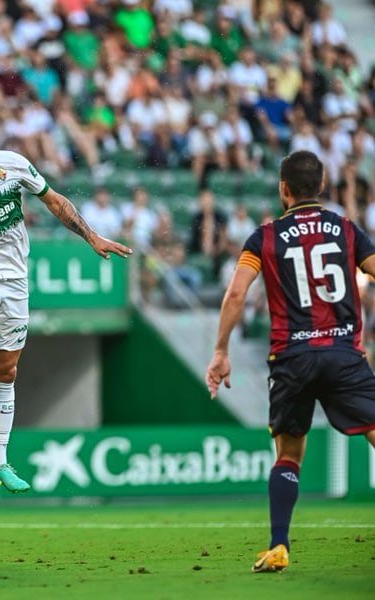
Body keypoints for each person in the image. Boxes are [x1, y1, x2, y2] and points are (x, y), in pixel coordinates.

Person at [0, 106, 132, 492]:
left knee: (6, 371)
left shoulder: (11, 163)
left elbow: (54, 200)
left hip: (15, 283)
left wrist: (92, 236)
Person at [205, 151, 375, 573]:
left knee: (289, 454)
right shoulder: (346, 231)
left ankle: (279, 545)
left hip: (292, 358)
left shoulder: (264, 237)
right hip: (343, 354)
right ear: (321, 186)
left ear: (283, 188)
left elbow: (236, 295)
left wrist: (222, 350)